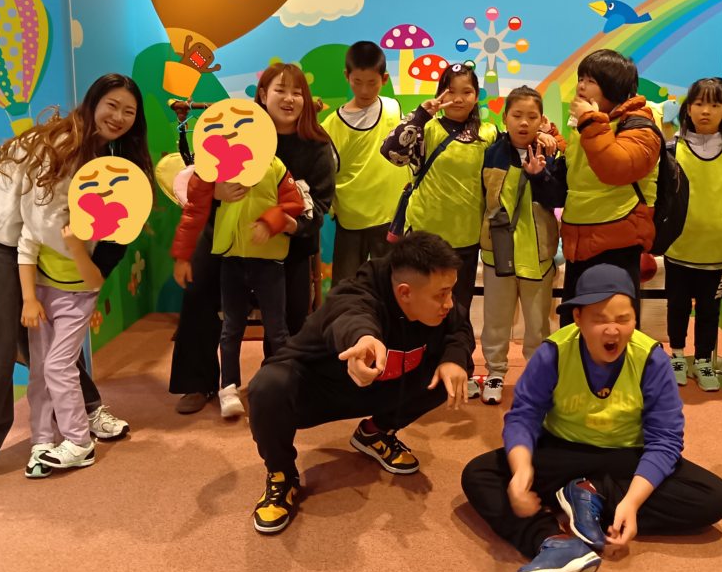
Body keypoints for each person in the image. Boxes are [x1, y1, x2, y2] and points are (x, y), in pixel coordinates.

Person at [461, 265, 722, 572]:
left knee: (714, 498)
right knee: (479, 474)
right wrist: (521, 472)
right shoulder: (554, 352)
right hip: (562, 449)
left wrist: (632, 502)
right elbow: (524, 415)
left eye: (623, 319)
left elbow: (665, 439)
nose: (612, 330)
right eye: (600, 319)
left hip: (627, 457)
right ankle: (555, 542)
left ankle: (591, 495)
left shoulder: (651, 359)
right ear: (577, 317)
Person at [0, 74, 146, 499]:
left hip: (32, 244)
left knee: (52, 337)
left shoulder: (102, 152)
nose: (119, 117)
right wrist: (89, 259)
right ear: (92, 102)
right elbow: (47, 226)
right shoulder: (65, 144)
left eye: (129, 111)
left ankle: (84, 410)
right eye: (112, 105)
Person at [246, 232, 475, 536]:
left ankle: (374, 433)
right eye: (441, 295)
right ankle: (281, 475)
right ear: (405, 292)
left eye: (450, 292)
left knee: (455, 371)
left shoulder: (437, 300)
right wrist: (363, 339)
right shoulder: (357, 291)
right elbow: (350, 313)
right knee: (267, 386)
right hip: (320, 392)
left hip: (381, 389)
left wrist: (454, 358)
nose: (449, 303)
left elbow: (460, 329)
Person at [170, 63, 335, 415]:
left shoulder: (317, 145)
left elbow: (319, 205)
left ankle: (275, 383)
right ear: (262, 94)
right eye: (280, 90)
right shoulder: (236, 127)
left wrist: (290, 225)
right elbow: (200, 182)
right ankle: (198, 381)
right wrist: (216, 192)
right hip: (226, 234)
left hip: (286, 243)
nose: (289, 99)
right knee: (198, 293)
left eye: (297, 92)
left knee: (289, 317)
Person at [379, 62, 501, 314]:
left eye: (466, 92)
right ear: (440, 94)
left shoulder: (489, 134)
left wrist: (543, 134)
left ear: (476, 95)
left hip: (466, 237)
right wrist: (421, 114)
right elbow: (390, 151)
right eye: (450, 91)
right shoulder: (425, 129)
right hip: (424, 235)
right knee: (419, 306)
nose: (458, 99)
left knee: (458, 310)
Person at [554, 50, 660, 325]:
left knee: (611, 325)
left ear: (614, 86)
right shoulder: (590, 124)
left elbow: (616, 168)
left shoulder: (639, 126)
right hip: (579, 239)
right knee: (575, 322)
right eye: (580, 79)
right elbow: (580, 170)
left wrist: (590, 122)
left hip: (618, 239)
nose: (580, 86)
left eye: (590, 80)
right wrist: (553, 138)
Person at [476, 86, 566, 404]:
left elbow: (557, 199)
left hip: (537, 254)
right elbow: (483, 199)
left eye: (531, 116)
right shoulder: (491, 153)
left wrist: (540, 175)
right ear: (505, 118)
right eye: (517, 115)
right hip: (497, 252)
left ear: (542, 120)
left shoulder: (551, 154)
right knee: (496, 320)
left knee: (538, 324)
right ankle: (495, 372)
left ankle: (536, 377)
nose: (524, 122)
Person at [664, 78, 722, 391]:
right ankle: (677, 356)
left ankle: (703, 360)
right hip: (679, 246)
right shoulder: (671, 149)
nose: (706, 111)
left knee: (709, 310)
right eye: (699, 103)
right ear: (688, 108)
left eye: (715, 104)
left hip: (717, 251)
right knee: (677, 305)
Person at [19, 224, 127, 474]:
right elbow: (27, 245)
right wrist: (29, 298)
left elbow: (94, 280)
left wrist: (77, 247)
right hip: (41, 291)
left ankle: (79, 442)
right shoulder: (42, 210)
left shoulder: (117, 230)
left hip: (79, 297)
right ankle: (42, 441)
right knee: (39, 369)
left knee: (58, 366)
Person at [322, 41, 409, 286]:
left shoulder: (393, 108)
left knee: (392, 286)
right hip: (351, 222)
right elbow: (325, 175)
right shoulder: (331, 126)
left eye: (372, 82)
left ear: (384, 79)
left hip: (391, 218)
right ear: (347, 76)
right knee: (346, 288)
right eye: (357, 82)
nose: (364, 90)